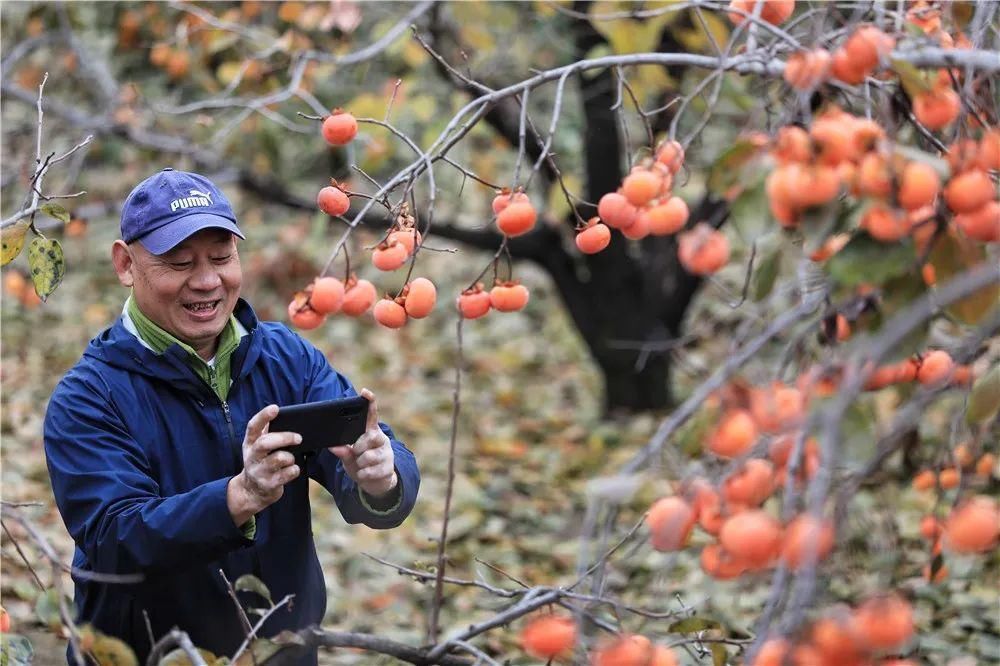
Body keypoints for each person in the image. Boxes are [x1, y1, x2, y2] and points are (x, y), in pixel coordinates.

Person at [43, 168, 420, 664]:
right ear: (125, 264)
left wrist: (380, 475)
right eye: (178, 262)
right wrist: (238, 496)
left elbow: (366, 454)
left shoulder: (285, 358)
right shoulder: (89, 397)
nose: (206, 281)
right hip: (149, 654)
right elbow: (115, 539)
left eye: (221, 258)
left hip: (279, 652)